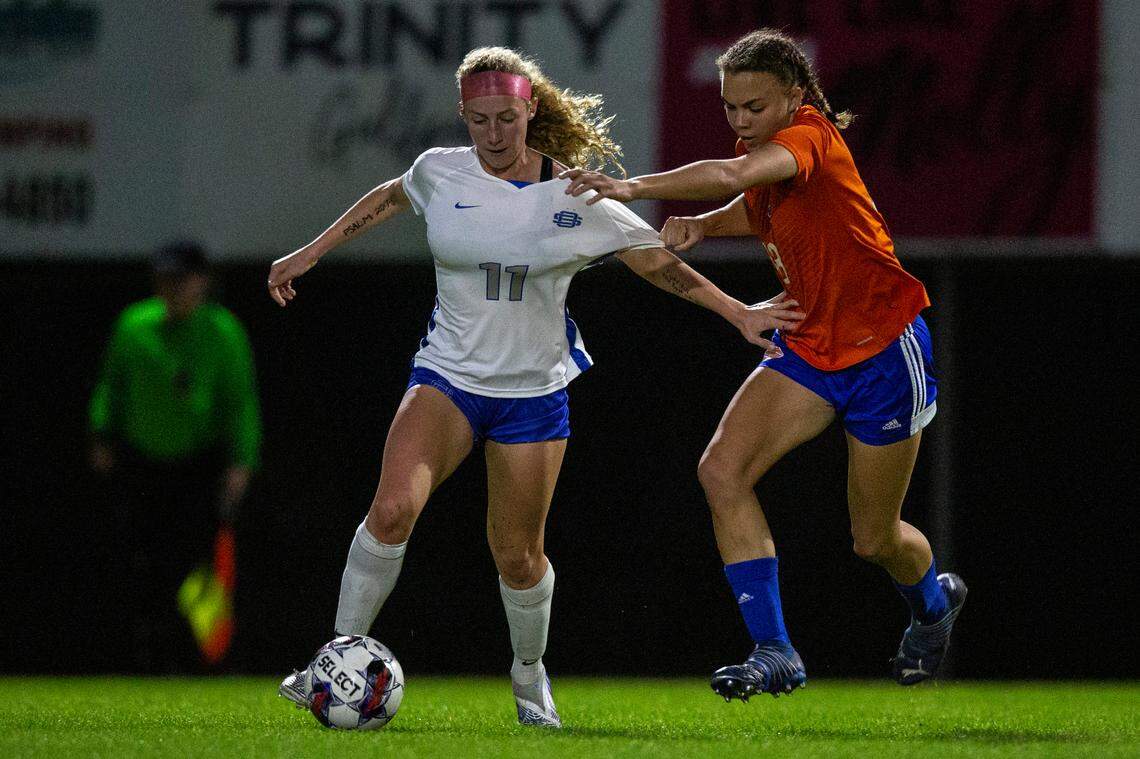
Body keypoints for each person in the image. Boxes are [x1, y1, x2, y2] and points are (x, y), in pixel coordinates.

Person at [267, 46, 803, 726]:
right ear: (464, 116)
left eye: (506, 119)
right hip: (448, 377)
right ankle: (336, 657)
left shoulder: (575, 195)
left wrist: (738, 310)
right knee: (393, 509)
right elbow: (390, 196)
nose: (493, 134)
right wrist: (309, 251)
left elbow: (655, 262)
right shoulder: (440, 172)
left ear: (531, 111)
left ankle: (528, 675)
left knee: (518, 557)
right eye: (480, 120)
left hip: (532, 393)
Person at [561, 28, 967, 699]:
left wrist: (631, 187)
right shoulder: (773, 156)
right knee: (721, 469)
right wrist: (702, 227)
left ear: (796, 97)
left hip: (885, 353)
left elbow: (732, 175)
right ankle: (775, 649)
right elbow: (751, 205)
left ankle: (931, 604)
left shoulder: (810, 136)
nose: (741, 121)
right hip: (811, 343)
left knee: (873, 538)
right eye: (730, 107)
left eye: (755, 107)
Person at [89, 241, 261, 672]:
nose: (173, 289)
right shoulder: (134, 325)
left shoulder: (224, 332)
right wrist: (101, 435)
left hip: (197, 466)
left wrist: (242, 462)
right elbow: (110, 388)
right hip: (141, 465)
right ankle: (145, 659)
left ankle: (206, 660)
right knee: (143, 562)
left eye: (182, 280)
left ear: (202, 282)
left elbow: (241, 404)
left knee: (199, 568)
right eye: (165, 280)